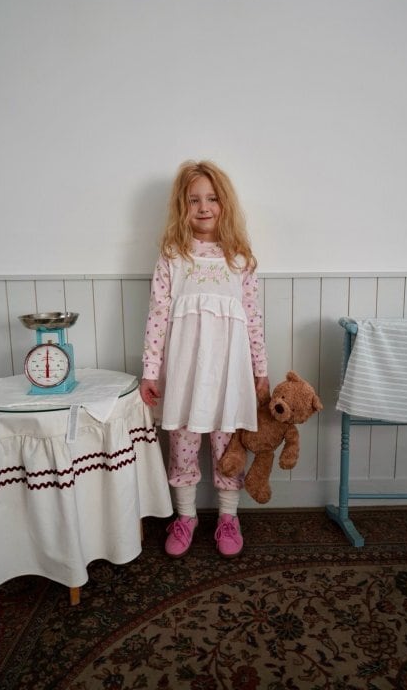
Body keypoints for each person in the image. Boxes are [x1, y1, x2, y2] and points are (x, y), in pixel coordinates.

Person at [140, 159, 269, 559]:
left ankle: (229, 517)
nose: (203, 207)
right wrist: (150, 371)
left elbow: (253, 319)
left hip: (229, 375)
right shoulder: (172, 256)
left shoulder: (239, 259)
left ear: (224, 204)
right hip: (184, 375)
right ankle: (186, 517)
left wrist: (260, 370)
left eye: (212, 198)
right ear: (183, 206)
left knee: (228, 447)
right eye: (194, 199)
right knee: (182, 445)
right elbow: (157, 315)